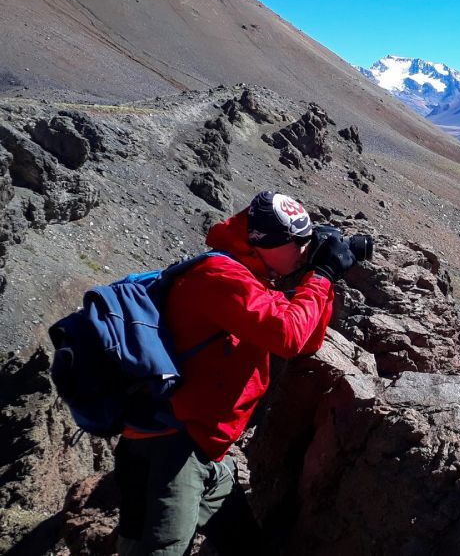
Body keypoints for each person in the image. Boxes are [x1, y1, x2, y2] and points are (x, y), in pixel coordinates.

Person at [115, 191, 356, 556]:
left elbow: (305, 341)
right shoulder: (220, 276)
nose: (308, 249)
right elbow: (287, 337)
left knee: (245, 545)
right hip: (168, 447)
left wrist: (320, 279)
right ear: (268, 243)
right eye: (301, 243)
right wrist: (320, 274)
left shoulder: (258, 280)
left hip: (205, 446)